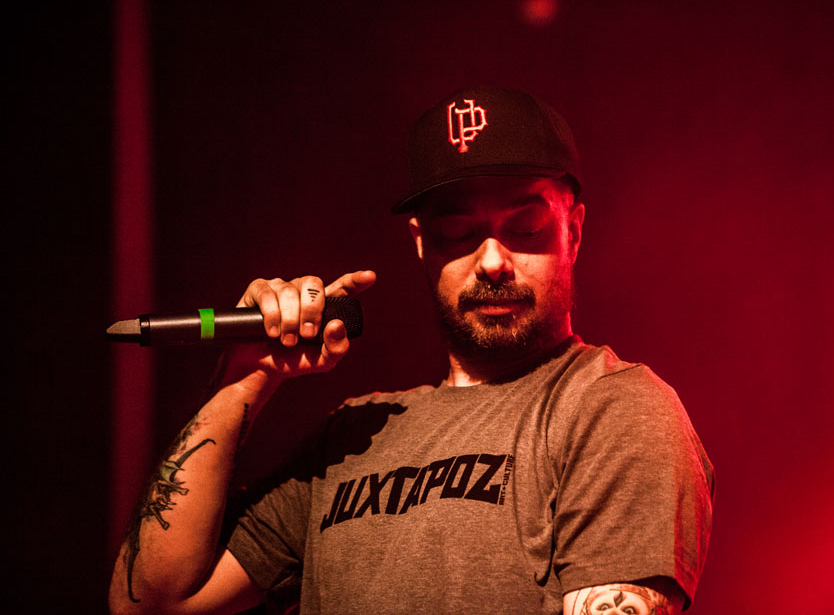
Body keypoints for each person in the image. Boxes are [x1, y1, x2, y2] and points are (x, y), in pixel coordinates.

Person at [109, 86, 715, 614]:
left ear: (573, 231)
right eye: (459, 232)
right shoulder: (352, 436)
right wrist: (244, 378)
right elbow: (153, 600)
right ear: (422, 244)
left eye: (525, 227)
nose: (494, 261)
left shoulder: (613, 409)